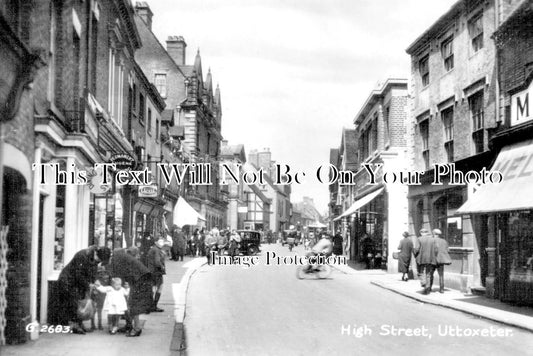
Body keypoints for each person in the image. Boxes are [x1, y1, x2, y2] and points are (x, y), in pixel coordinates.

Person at [55, 246, 111, 334]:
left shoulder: (94, 257)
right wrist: (88, 284)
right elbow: (78, 274)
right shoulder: (82, 255)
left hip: (78, 282)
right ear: (96, 253)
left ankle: (79, 325)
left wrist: (95, 280)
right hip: (67, 281)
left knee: (80, 302)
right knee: (73, 302)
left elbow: (93, 271)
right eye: (98, 260)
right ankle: (75, 326)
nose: (98, 262)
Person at [107, 248, 153, 337]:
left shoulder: (117, 258)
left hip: (141, 281)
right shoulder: (121, 257)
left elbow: (118, 276)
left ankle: (137, 329)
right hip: (141, 279)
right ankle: (129, 325)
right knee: (130, 303)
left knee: (134, 304)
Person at [414, 228, 437, 294]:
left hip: (421, 258)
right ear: (427, 233)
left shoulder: (419, 239)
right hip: (430, 258)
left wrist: (415, 253)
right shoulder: (432, 240)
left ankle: (424, 283)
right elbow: (436, 249)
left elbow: (417, 249)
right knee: (428, 274)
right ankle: (427, 288)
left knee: (420, 272)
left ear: (421, 233)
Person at [146, 237, 166, 312]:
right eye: (160, 241)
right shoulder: (156, 250)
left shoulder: (153, 249)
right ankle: (153, 305)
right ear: (155, 242)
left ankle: (150, 305)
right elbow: (157, 262)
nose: (162, 243)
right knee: (159, 287)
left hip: (152, 271)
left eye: (162, 241)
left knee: (153, 288)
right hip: (156, 272)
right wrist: (162, 266)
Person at [434, 229, 452, 293]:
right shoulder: (444, 241)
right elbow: (448, 250)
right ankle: (442, 289)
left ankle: (429, 288)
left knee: (430, 274)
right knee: (441, 275)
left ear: (434, 234)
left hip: (433, 260)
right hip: (441, 260)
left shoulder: (432, 240)